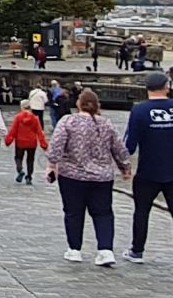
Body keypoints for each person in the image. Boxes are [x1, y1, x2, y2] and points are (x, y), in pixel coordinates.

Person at [122, 72, 173, 272]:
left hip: (149, 170)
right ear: (166, 86)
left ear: (146, 88)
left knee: (142, 211)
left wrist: (123, 162)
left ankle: (137, 250)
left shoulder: (139, 110)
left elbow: (129, 143)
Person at [46, 88, 131, 267]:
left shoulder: (68, 121)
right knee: (103, 212)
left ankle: (74, 249)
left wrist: (52, 165)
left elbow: (56, 145)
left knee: (73, 212)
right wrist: (125, 167)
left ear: (79, 104)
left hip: (72, 175)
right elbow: (119, 148)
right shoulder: (106, 123)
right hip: (102, 177)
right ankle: (105, 250)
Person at [5, 97, 49, 184]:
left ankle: (20, 170)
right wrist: (44, 144)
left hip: (20, 141)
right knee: (30, 160)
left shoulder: (18, 117)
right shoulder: (35, 118)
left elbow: (13, 130)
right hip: (32, 142)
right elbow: (39, 132)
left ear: (22, 107)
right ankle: (29, 177)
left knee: (18, 158)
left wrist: (8, 140)